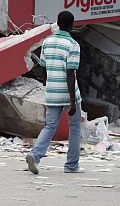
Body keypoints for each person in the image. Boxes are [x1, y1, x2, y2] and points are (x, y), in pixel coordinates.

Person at [26, 11, 84, 175]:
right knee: (74, 127)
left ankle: (35, 154)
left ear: (58, 24)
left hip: (51, 92)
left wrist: (48, 84)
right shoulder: (73, 45)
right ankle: (71, 166)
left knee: (50, 126)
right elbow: (70, 73)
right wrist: (72, 101)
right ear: (72, 25)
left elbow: (43, 67)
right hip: (68, 93)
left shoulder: (47, 42)